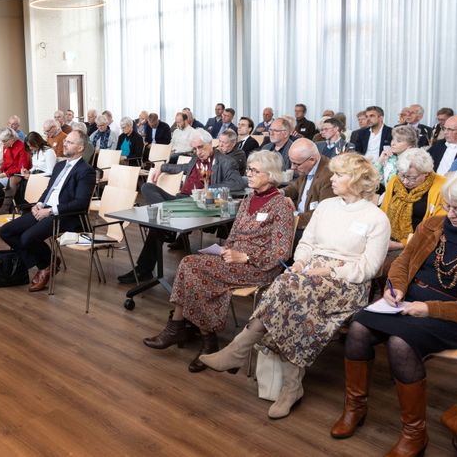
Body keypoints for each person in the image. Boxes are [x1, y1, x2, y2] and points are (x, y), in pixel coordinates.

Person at [335, 172, 457, 456]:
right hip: (409, 304)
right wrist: (395, 288)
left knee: (400, 344)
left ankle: (414, 433)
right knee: (357, 327)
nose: (451, 214)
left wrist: (430, 309)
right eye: (448, 206)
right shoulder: (433, 226)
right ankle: (354, 408)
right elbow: (403, 262)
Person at [199, 153, 389, 420]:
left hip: (347, 282)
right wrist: (300, 263)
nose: (331, 178)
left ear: (357, 180)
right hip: (308, 274)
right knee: (292, 290)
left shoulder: (376, 218)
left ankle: (240, 349)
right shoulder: (327, 207)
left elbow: (368, 268)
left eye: (339, 175)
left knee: (289, 289)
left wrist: (330, 270)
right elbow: (307, 244)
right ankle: (290, 386)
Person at [143, 151, 295, 371]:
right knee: (191, 265)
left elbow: (281, 254)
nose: (248, 175)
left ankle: (194, 334)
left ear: (270, 175)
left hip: (259, 267)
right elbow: (233, 235)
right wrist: (226, 248)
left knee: (191, 266)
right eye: (248, 169)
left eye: (254, 171)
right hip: (232, 258)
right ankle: (193, 333)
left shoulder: (280, 205)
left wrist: (246, 256)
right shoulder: (249, 199)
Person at [122, 132, 246, 283]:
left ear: (210, 143)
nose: (198, 152)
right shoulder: (196, 158)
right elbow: (182, 167)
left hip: (198, 203)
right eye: (194, 149)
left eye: (201, 147)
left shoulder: (225, 161)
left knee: (157, 226)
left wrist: (208, 188)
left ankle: (143, 269)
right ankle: (167, 222)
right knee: (148, 187)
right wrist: (162, 167)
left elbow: (238, 183)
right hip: (180, 200)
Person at [0, 130, 94, 292]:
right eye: (66, 141)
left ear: (80, 148)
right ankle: (46, 263)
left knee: (27, 238)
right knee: (6, 231)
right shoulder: (59, 165)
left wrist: (50, 211)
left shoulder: (86, 171)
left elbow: (81, 204)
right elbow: (49, 190)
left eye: (69, 142)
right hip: (45, 209)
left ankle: (44, 267)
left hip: (64, 215)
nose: (65, 143)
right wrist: (39, 203)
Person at [380, 149, 446, 252]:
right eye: (402, 175)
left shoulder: (442, 187)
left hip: (421, 246)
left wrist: (402, 245)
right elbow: (383, 212)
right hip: (387, 239)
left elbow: (437, 227)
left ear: (426, 173)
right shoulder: (395, 181)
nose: (405, 181)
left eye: (412, 178)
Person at [283, 138, 335, 238]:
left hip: (310, 229)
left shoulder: (329, 176)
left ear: (312, 159)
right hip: (299, 219)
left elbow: (320, 216)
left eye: (296, 164)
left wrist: (291, 216)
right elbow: (296, 186)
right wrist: (281, 193)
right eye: (291, 162)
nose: (292, 168)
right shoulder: (307, 166)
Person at [0, 128, 30, 213]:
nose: (3, 143)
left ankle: (6, 208)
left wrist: (5, 174)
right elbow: (5, 162)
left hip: (18, 174)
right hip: (7, 172)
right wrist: (0, 170)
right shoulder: (6, 145)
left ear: (12, 138)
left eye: (5, 141)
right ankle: (4, 206)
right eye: (2, 141)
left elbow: (22, 168)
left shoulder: (21, 146)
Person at [374, 124, 419, 188]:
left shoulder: (414, 163)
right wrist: (380, 161)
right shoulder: (392, 159)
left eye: (399, 141)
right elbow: (380, 180)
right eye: (393, 139)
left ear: (410, 146)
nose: (393, 143)